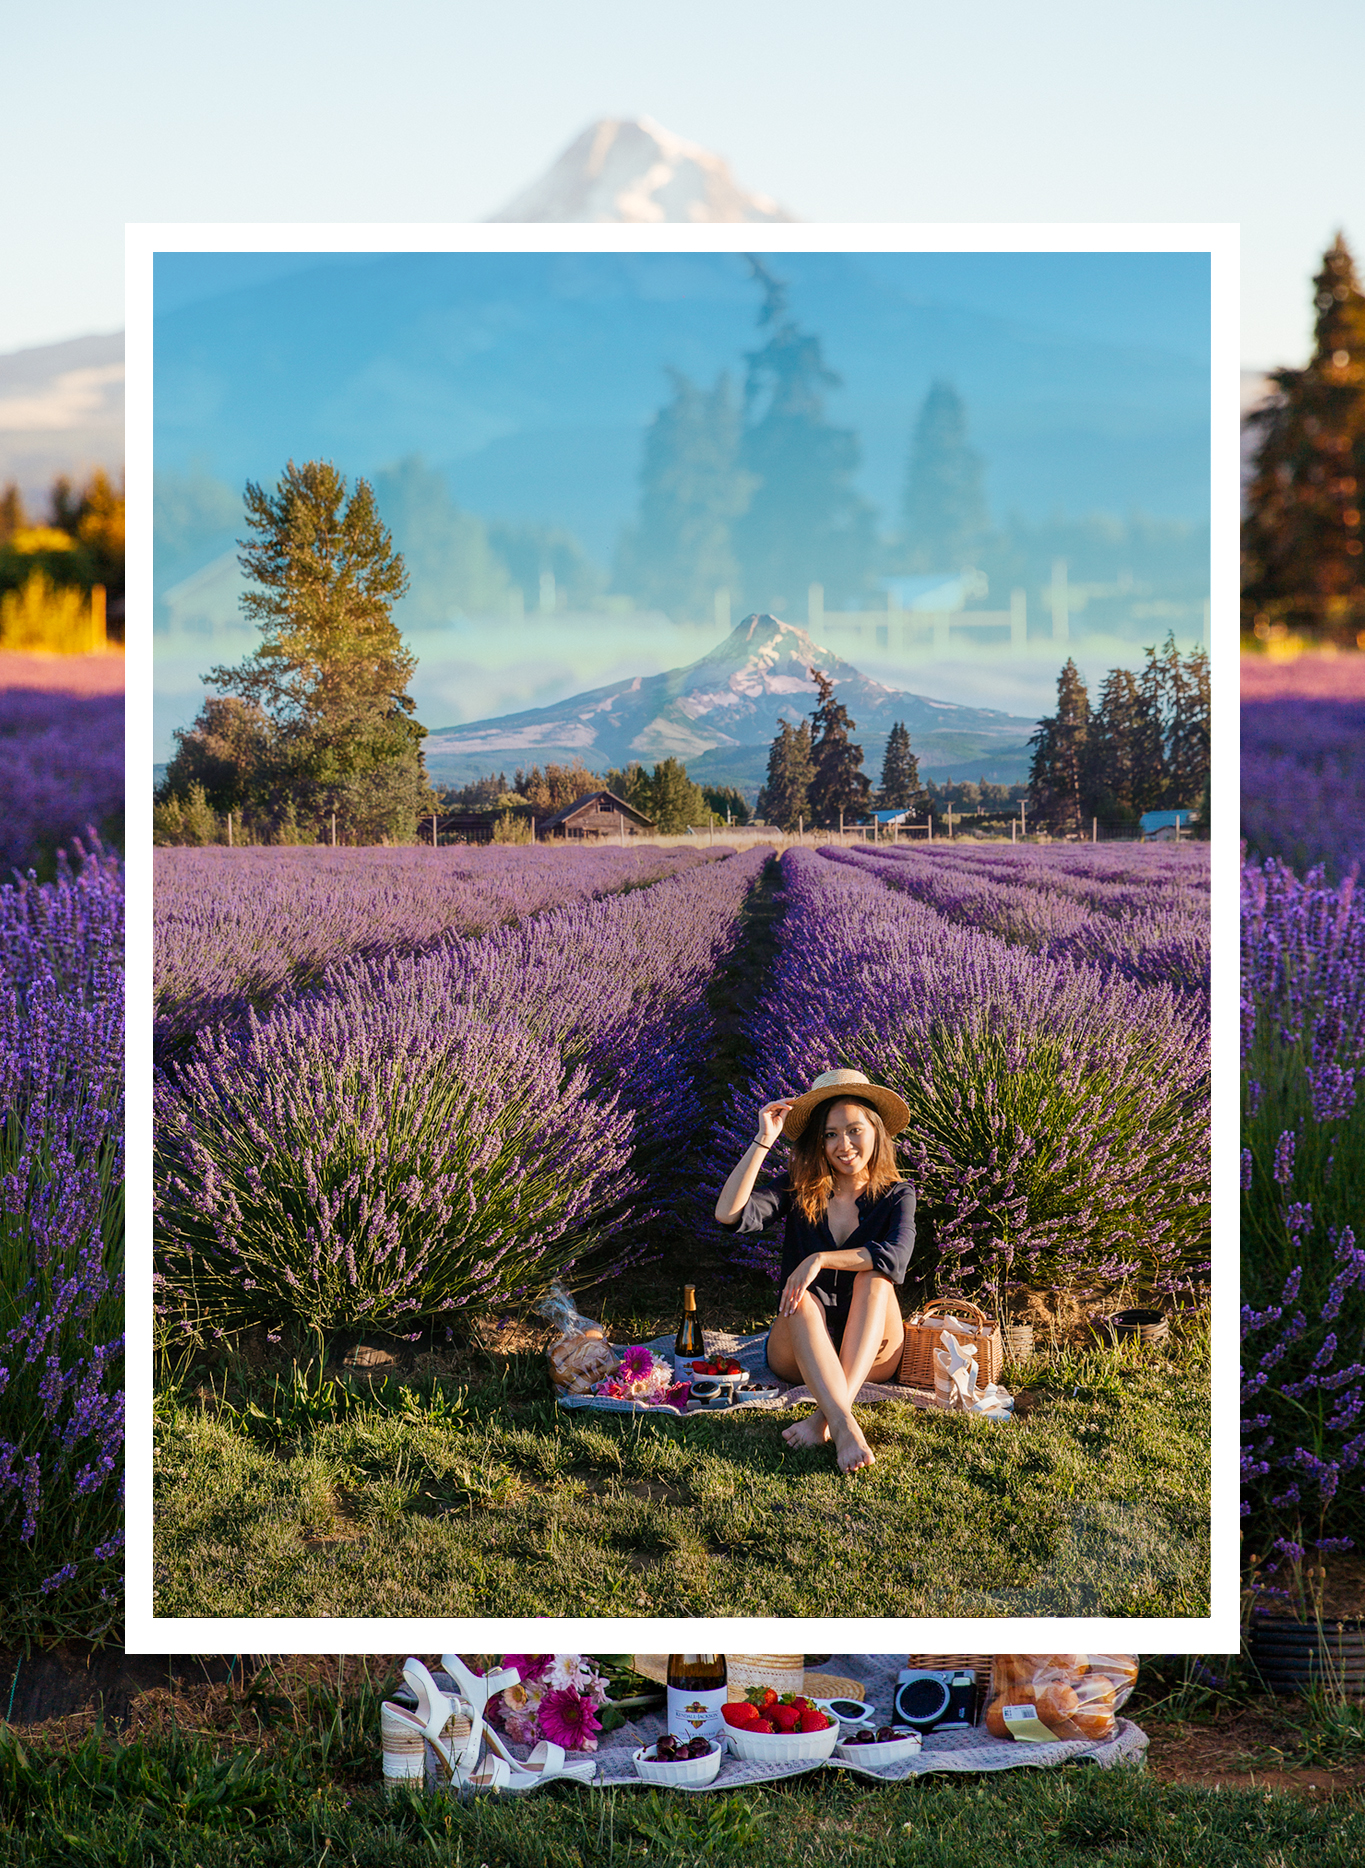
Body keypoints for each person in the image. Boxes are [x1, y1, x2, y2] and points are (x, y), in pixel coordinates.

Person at [714, 1067, 915, 1476]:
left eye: (855, 1130)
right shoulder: (799, 1186)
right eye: (830, 1134)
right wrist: (762, 1141)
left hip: (874, 1351)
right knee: (801, 1299)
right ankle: (843, 1424)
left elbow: (895, 1257)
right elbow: (729, 1214)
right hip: (798, 1353)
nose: (844, 1145)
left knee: (876, 1279)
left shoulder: (898, 1194)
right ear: (819, 1143)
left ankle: (825, 1419)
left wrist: (819, 1258)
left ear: (876, 1132)